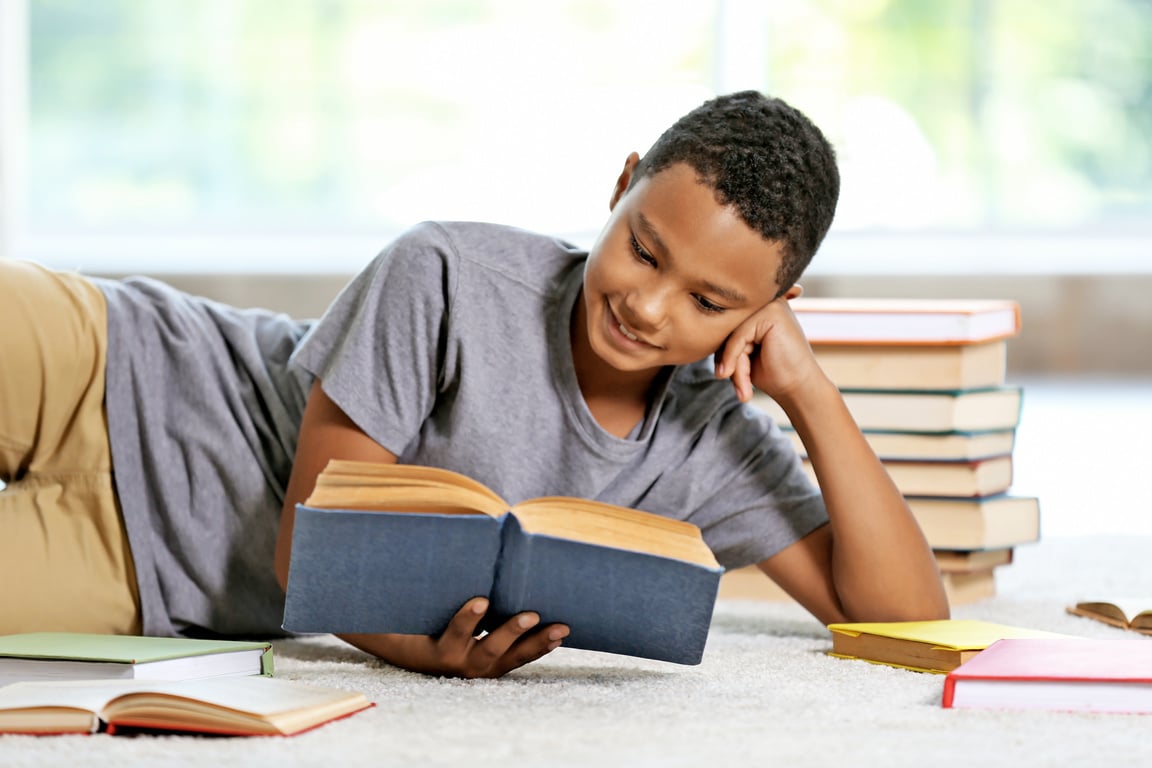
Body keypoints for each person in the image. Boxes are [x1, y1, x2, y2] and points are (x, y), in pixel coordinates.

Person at [0, 91, 949, 678]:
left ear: (772, 304)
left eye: (708, 300)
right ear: (621, 185)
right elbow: (311, 545)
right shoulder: (447, 272)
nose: (650, 308)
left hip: (144, 563)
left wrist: (811, 396)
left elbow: (908, 621)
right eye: (643, 250)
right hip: (109, 360)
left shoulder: (714, 442)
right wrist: (417, 649)